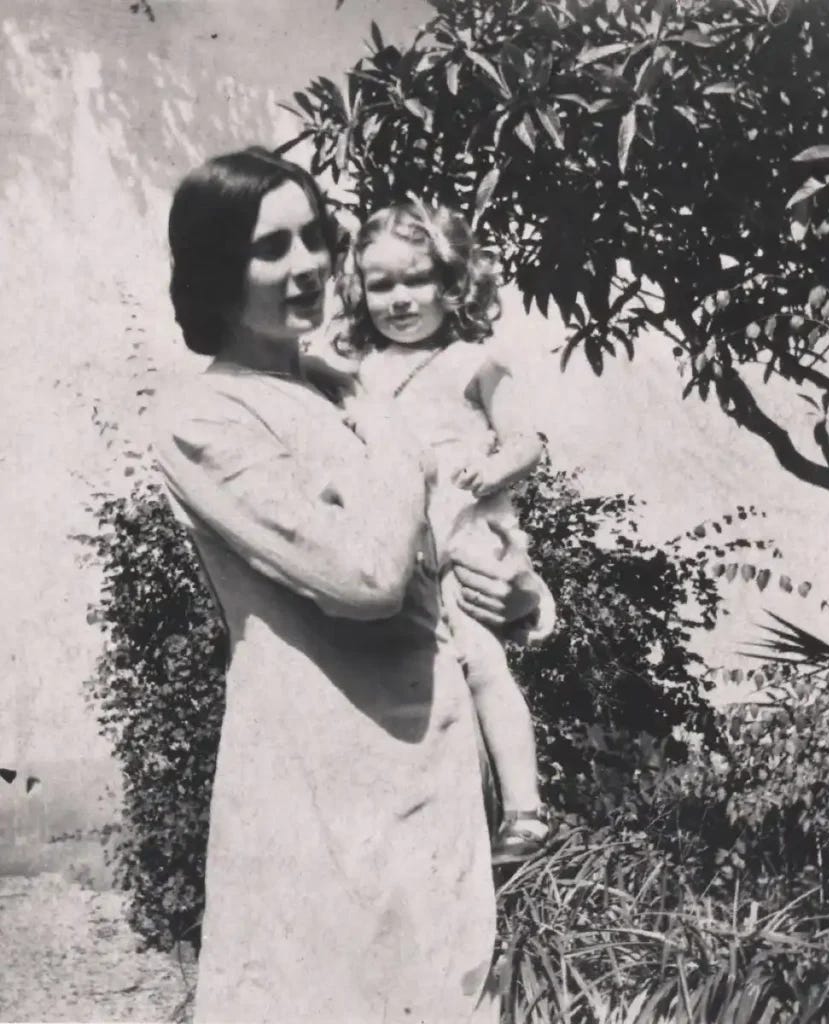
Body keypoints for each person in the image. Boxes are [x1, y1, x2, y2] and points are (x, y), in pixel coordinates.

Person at [155, 147, 535, 1023]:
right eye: (270, 248)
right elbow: (361, 577)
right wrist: (391, 425)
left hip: (435, 772)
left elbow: (437, 555)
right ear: (215, 271)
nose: (308, 267)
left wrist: (517, 598)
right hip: (318, 788)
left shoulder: (341, 386)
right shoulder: (205, 418)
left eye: (314, 238)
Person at [330, 199, 555, 865]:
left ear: (452, 283)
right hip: (393, 546)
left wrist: (488, 470)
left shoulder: (472, 361)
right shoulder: (360, 374)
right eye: (381, 284)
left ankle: (524, 811)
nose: (399, 299)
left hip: (460, 540)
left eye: (415, 279)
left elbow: (527, 442)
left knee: (482, 664)